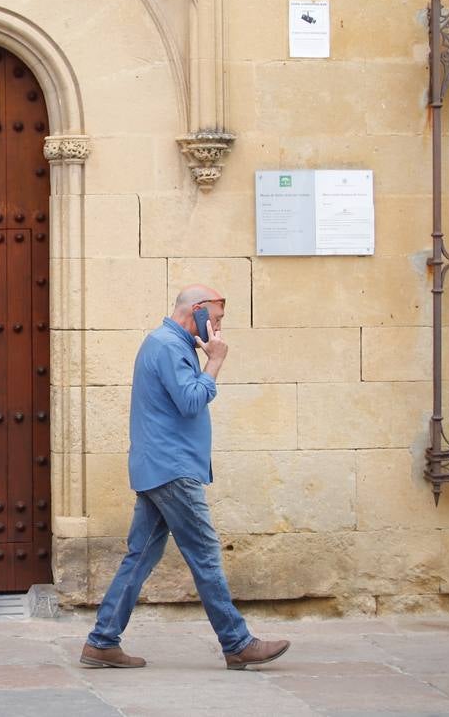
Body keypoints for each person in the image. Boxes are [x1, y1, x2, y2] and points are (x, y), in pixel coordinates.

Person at [79, 286, 290, 671]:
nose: (219, 329)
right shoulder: (169, 346)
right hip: (173, 469)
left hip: (158, 467)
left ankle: (102, 641)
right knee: (205, 556)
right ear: (198, 311)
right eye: (217, 319)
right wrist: (216, 361)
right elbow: (191, 400)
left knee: (140, 556)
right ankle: (237, 642)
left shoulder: (165, 343)